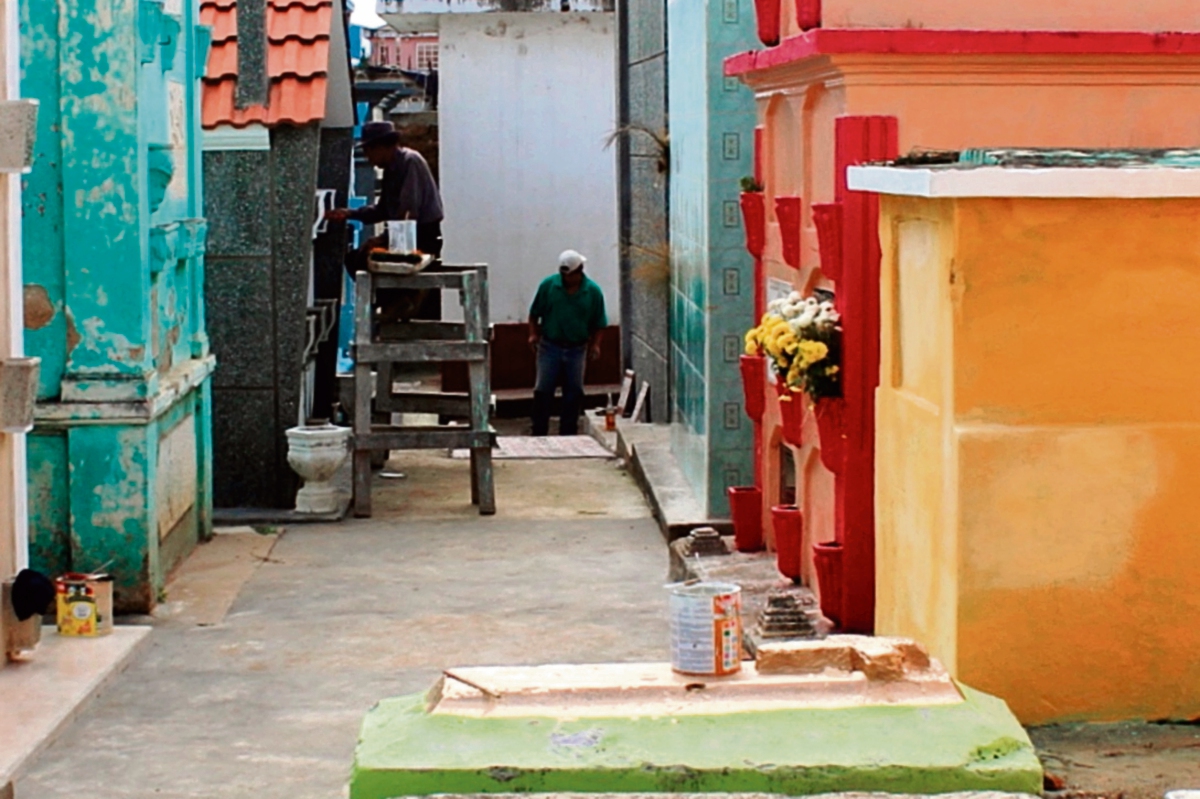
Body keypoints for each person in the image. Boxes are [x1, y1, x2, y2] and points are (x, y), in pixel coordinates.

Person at [327, 121, 444, 321]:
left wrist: (383, 239)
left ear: (381, 147)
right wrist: (350, 213)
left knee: (366, 257)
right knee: (354, 259)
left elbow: (408, 212)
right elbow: (383, 210)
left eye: (370, 152)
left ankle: (401, 301)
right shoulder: (391, 169)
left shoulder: (410, 162)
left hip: (422, 236)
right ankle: (393, 303)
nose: (370, 159)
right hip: (404, 233)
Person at [528, 250, 607, 436]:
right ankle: (539, 430)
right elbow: (534, 313)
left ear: (579, 271)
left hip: (577, 348)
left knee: (573, 390)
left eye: (570, 274)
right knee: (543, 389)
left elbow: (599, 322)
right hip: (550, 346)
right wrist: (532, 335)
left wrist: (595, 345)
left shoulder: (592, 292)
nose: (566, 278)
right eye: (564, 274)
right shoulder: (549, 286)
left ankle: (569, 431)